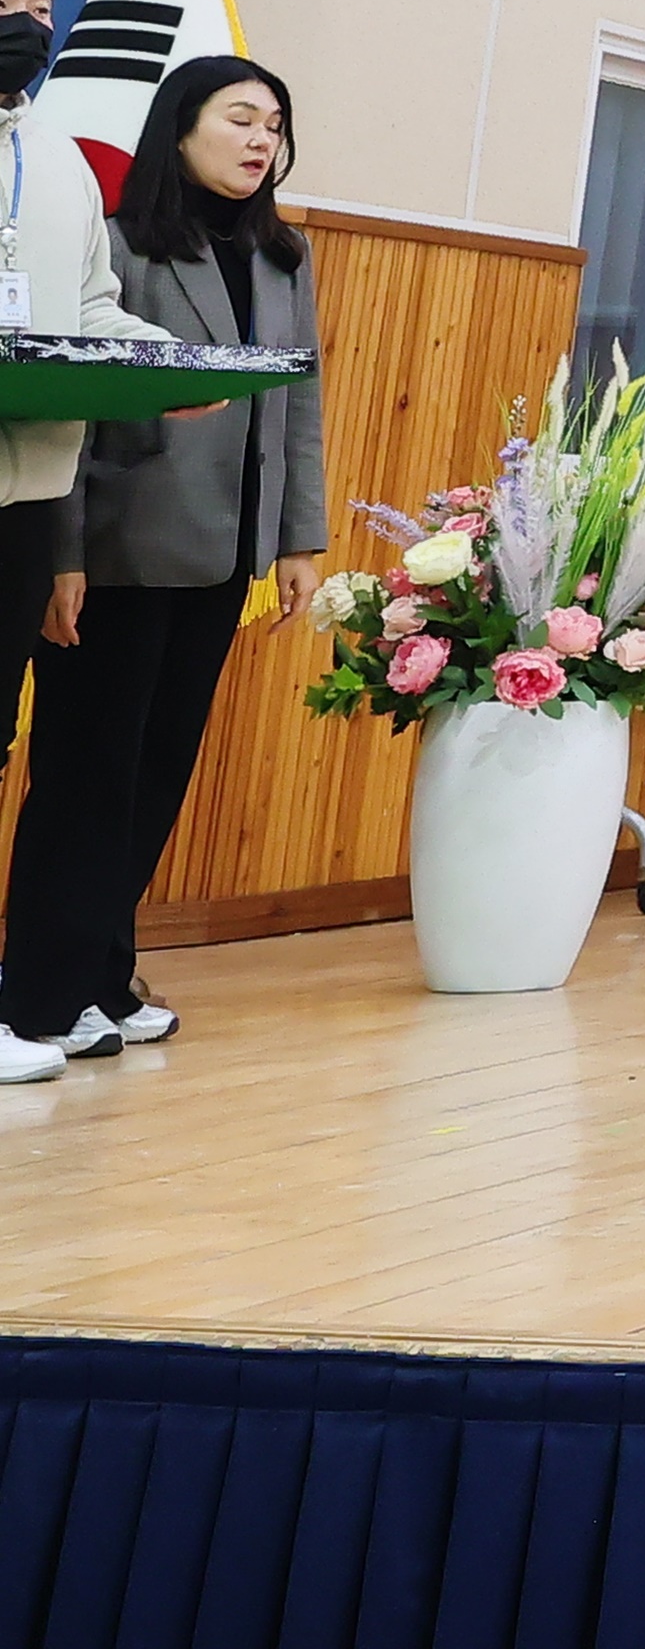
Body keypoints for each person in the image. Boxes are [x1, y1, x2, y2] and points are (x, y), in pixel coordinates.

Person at [8, 56, 323, 1070]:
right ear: (179, 128)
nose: (260, 141)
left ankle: (103, 976)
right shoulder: (121, 243)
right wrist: (61, 556)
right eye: (240, 119)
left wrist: (298, 537)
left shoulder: (283, 256)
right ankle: (40, 993)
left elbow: (298, 406)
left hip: (226, 551)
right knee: (85, 774)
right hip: (119, 549)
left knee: (156, 773)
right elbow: (68, 413)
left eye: (274, 126)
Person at [0, 0, 158, 1091]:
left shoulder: (59, 159)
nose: (25, 16)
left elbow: (93, 310)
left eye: (40, 3)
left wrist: (169, 364)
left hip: (26, 493)